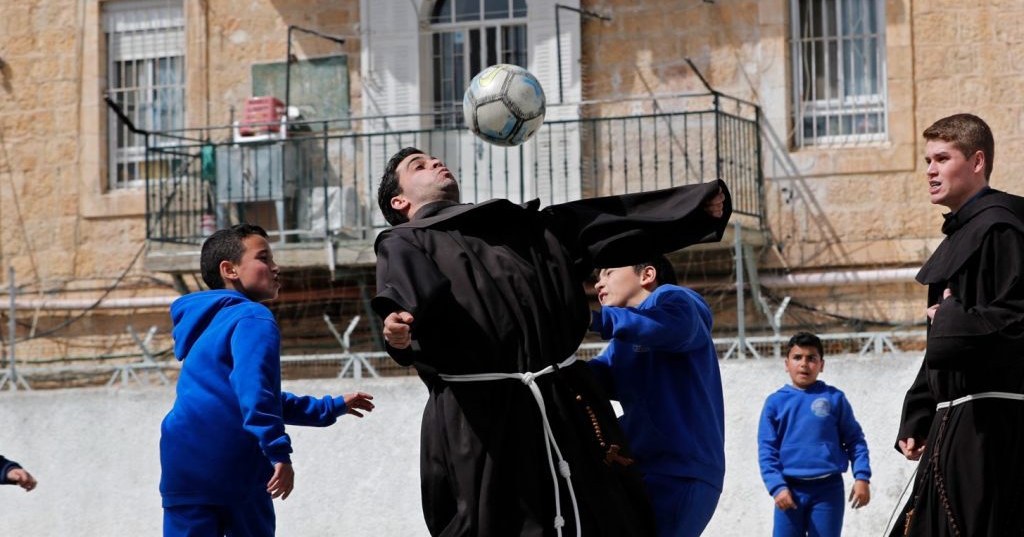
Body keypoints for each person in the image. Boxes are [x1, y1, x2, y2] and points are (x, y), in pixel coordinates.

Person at [372, 146, 730, 537]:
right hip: (481, 425)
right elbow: (404, 296)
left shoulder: (516, 227)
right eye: (418, 166)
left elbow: (596, 223)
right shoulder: (403, 240)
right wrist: (397, 327)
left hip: (565, 414)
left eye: (435, 158)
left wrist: (691, 209)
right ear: (400, 200)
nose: (437, 163)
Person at [160, 224, 375, 537]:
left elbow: (241, 395)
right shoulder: (253, 317)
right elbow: (255, 392)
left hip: (182, 464)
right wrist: (278, 453)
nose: (275, 266)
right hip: (232, 464)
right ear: (229, 269)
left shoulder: (205, 323)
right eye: (263, 258)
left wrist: (327, 407)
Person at [890, 113, 1024, 537]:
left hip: (992, 429)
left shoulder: (1001, 229)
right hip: (955, 422)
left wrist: (949, 319)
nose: (929, 170)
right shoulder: (963, 235)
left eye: (942, 158)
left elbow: (1014, 321)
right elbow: (942, 342)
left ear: (977, 161)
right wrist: (919, 409)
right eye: (927, 160)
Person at [586, 254, 725, 537]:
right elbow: (596, 377)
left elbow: (676, 326)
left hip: (680, 473)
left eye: (609, 271)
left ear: (647, 275)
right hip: (642, 470)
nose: (599, 283)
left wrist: (593, 320)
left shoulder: (675, 299)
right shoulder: (624, 340)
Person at [758, 332, 871, 537]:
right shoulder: (775, 403)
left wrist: (862, 477)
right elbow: (767, 451)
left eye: (811, 358)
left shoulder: (834, 398)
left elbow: (855, 440)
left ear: (821, 365)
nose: (804, 364)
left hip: (828, 490)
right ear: (786, 363)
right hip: (789, 490)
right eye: (797, 357)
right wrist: (776, 487)